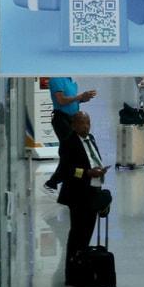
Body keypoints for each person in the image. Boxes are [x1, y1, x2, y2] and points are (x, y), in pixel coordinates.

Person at [56, 112, 110, 274]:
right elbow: (67, 169)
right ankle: (71, 269)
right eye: (82, 123)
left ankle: (83, 264)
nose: (86, 126)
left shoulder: (91, 139)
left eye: (88, 123)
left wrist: (99, 171)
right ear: (74, 125)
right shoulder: (68, 143)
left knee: (88, 230)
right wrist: (87, 173)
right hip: (77, 193)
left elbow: (93, 159)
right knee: (77, 232)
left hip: (93, 190)